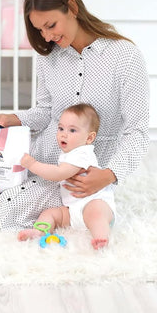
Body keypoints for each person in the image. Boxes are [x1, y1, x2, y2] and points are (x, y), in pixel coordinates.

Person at [0, 0, 150, 232]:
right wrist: (12, 119)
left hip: (81, 171)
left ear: (72, 8)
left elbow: (138, 132)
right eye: (39, 30)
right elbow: (46, 112)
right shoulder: (49, 56)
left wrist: (108, 175)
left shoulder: (124, 56)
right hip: (41, 155)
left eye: (51, 25)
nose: (47, 36)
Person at [18, 103, 116, 250]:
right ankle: (40, 231)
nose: (64, 134)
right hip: (72, 210)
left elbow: (58, 174)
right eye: (61, 128)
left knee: (95, 213)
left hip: (94, 203)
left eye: (72, 130)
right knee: (50, 213)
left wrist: (32, 164)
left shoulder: (83, 154)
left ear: (89, 138)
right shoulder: (69, 153)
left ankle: (101, 237)